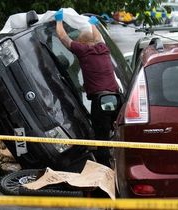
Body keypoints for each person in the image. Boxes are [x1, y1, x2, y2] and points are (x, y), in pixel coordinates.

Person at [54, 9, 119, 167]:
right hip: (117, 99)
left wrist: (59, 21)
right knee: (117, 135)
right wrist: (93, 23)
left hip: (101, 102)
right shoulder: (103, 49)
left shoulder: (83, 51)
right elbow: (97, 37)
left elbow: (63, 37)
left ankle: (105, 170)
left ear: (82, 43)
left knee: (101, 140)